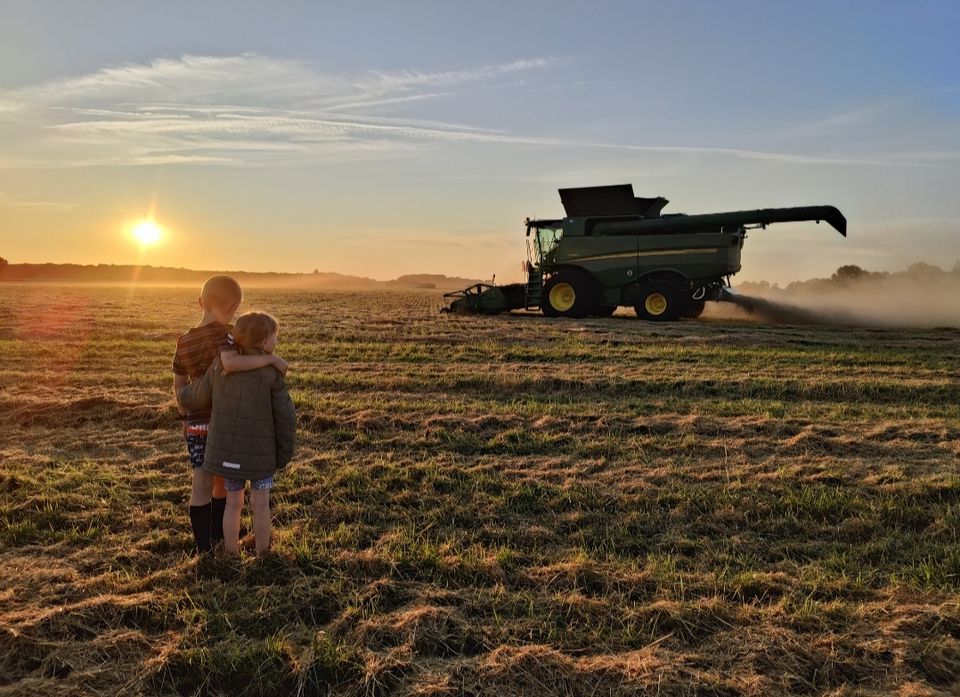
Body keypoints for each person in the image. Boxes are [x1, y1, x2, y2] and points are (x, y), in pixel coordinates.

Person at [172, 276, 288, 554]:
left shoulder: (184, 341)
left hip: (197, 423)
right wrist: (271, 359)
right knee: (223, 483)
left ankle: (204, 547)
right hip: (226, 421)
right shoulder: (230, 336)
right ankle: (220, 535)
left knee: (200, 484)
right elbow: (240, 363)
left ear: (200, 302)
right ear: (234, 307)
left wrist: (184, 418)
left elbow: (179, 385)